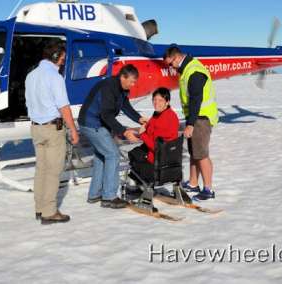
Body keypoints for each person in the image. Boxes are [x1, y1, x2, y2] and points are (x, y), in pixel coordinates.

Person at [25, 42, 80, 225]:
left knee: (41, 169)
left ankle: (39, 208)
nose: (63, 62)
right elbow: (63, 107)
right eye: (63, 59)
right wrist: (73, 129)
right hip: (52, 129)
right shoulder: (55, 77)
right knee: (53, 171)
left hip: (36, 128)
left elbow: (29, 103)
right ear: (56, 57)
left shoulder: (31, 76)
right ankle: (49, 212)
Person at [78, 64, 147, 208]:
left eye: (135, 82)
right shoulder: (108, 87)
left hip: (99, 123)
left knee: (101, 157)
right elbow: (107, 114)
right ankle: (109, 197)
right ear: (123, 77)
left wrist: (139, 119)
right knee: (113, 155)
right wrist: (124, 131)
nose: (133, 85)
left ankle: (95, 194)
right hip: (92, 123)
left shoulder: (122, 88)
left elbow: (125, 106)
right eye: (131, 81)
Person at [163, 45, 219, 201]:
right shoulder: (187, 69)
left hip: (201, 118)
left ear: (177, 58)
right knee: (194, 152)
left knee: (201, 155)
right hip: (195, 117)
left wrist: (190, 124)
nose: (171, 67)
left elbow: (196, 100)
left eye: (171, 64)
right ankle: (193, 183)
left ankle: (208, 189)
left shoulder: (193, 71)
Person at [128, 87, 180, 183]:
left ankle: (140, 185)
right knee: (136, 152)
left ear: (167, 102)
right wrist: (146, 126)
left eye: (160, 100)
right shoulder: (165, 114)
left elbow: (156, 147)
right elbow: (152, 129)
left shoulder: (164, 119)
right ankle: (139, 184)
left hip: (158, 163)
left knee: (134, 157)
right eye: (154, 100)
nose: (156, 103)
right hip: (167, 159)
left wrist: (142, 134)